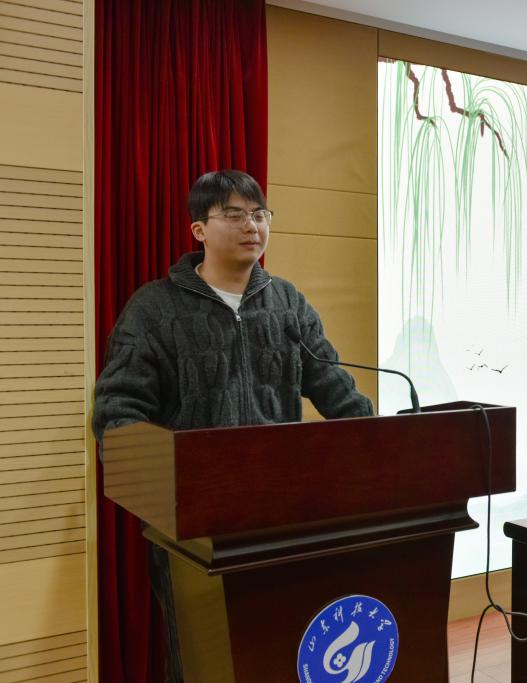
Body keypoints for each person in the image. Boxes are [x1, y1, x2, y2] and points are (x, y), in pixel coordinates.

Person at [93, 169, 373, 682]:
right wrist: (160, 482)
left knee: (282, 650)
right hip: (193, 528)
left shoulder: (287, 302)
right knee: (205, 659)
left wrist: (381, 444)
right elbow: (116, 414)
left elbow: (335, 387)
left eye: (260, 214)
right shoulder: (154, 309)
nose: (252, 226)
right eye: (234, 214)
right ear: (199, 229)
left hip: (282, 516)